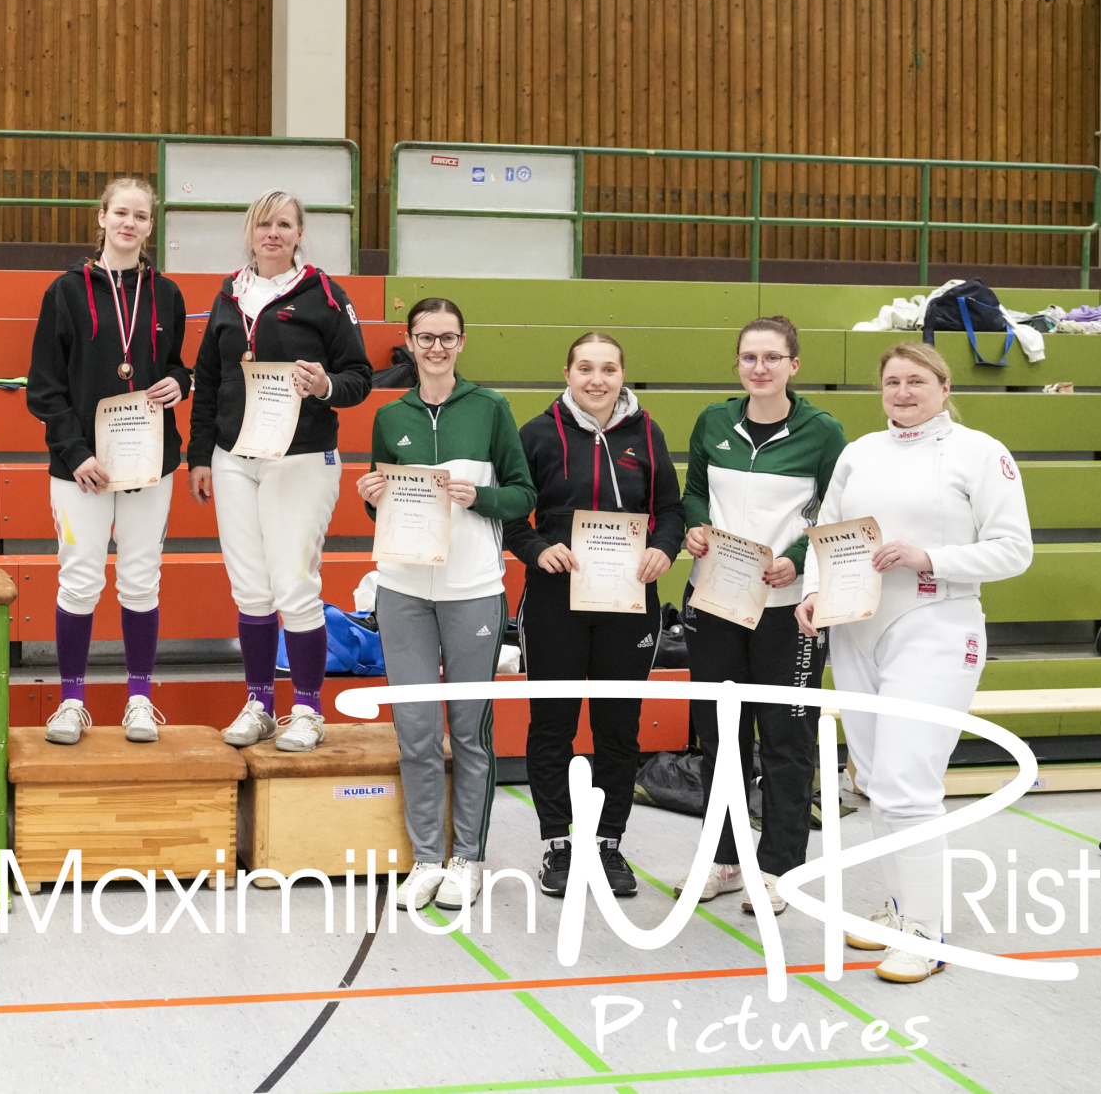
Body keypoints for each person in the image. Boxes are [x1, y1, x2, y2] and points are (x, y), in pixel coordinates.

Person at [798, 341, 1031, 984]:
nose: (903, 392)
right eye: (893, 381)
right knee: (876, 779)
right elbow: (829, 538)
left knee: (907, 781)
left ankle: (927, 933)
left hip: (936, 624)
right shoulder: (859, 453)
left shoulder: (980, 452)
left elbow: (1014, 549)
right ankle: (901, 908)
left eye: (917, 381)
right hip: (858, 628)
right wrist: (816, 592)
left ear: (944, 387)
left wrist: (930, 558)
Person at [356, 297, 537, 910]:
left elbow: (523, 495)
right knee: (415, 731)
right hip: (403, 590)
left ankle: (468, 858)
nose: (436, 347)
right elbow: (383, 513)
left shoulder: (490, 408)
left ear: (462, 342)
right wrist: (372, 496)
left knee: (469, 731)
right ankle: (428, 857)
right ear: (409, 342)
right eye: (425, 337)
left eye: (447, 337)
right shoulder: (391, 416)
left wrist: (479, 497)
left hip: (473, 590)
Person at [187, 190, 373, 753]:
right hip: (233, 459)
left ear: (299, 234)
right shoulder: (228, 294)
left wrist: (325, 385)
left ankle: (308, 711)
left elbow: (360, 376)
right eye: (264, 223)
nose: (273, 233)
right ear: (250, 231)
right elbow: (208, 381)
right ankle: (260, 705)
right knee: (250, 590)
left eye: (285, 224)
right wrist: (200, 456)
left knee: (294, 587)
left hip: (301, 458)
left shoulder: (324, 295)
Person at [678, 316, 847, 914]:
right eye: (749, 357)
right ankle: (724, 859)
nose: (760, 368)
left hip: (788, 611)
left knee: (786, 740)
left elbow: (835, 513)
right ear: (738, 364)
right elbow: (694, 492)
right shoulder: (713, 421)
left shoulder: (823, 432)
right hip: (716, 601)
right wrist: (696, 527)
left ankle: (779, 868)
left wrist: (796, 560)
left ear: (794, 365)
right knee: (719, 736)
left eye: (772, 357)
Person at [505, 333, 684, 897]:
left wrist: (664, 548)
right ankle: (558, 843)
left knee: (617, 728)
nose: (597, 379)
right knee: (552, 725)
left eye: (608, 369)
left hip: (628, 604)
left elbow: (670, 510)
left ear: (622, 375)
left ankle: (608, 843)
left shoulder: (647, 434)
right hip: (554, 601)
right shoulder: (536, 434)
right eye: (586, 368)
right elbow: (510, 515)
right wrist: (537, 549)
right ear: (567, 373)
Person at [26, 179, 191, 745]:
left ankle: (139, 700)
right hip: (82, 469)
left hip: (150, 464)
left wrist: (180, 382)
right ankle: (71, 703)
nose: (129, 223)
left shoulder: (166, 293)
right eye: (120, 212)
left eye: (140, 216)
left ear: (151, 226)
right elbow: (44, 388)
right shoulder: (65, 292)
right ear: (101, 218)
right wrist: (76, 454)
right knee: (79, 582)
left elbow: (177, 365)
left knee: (141, 582)